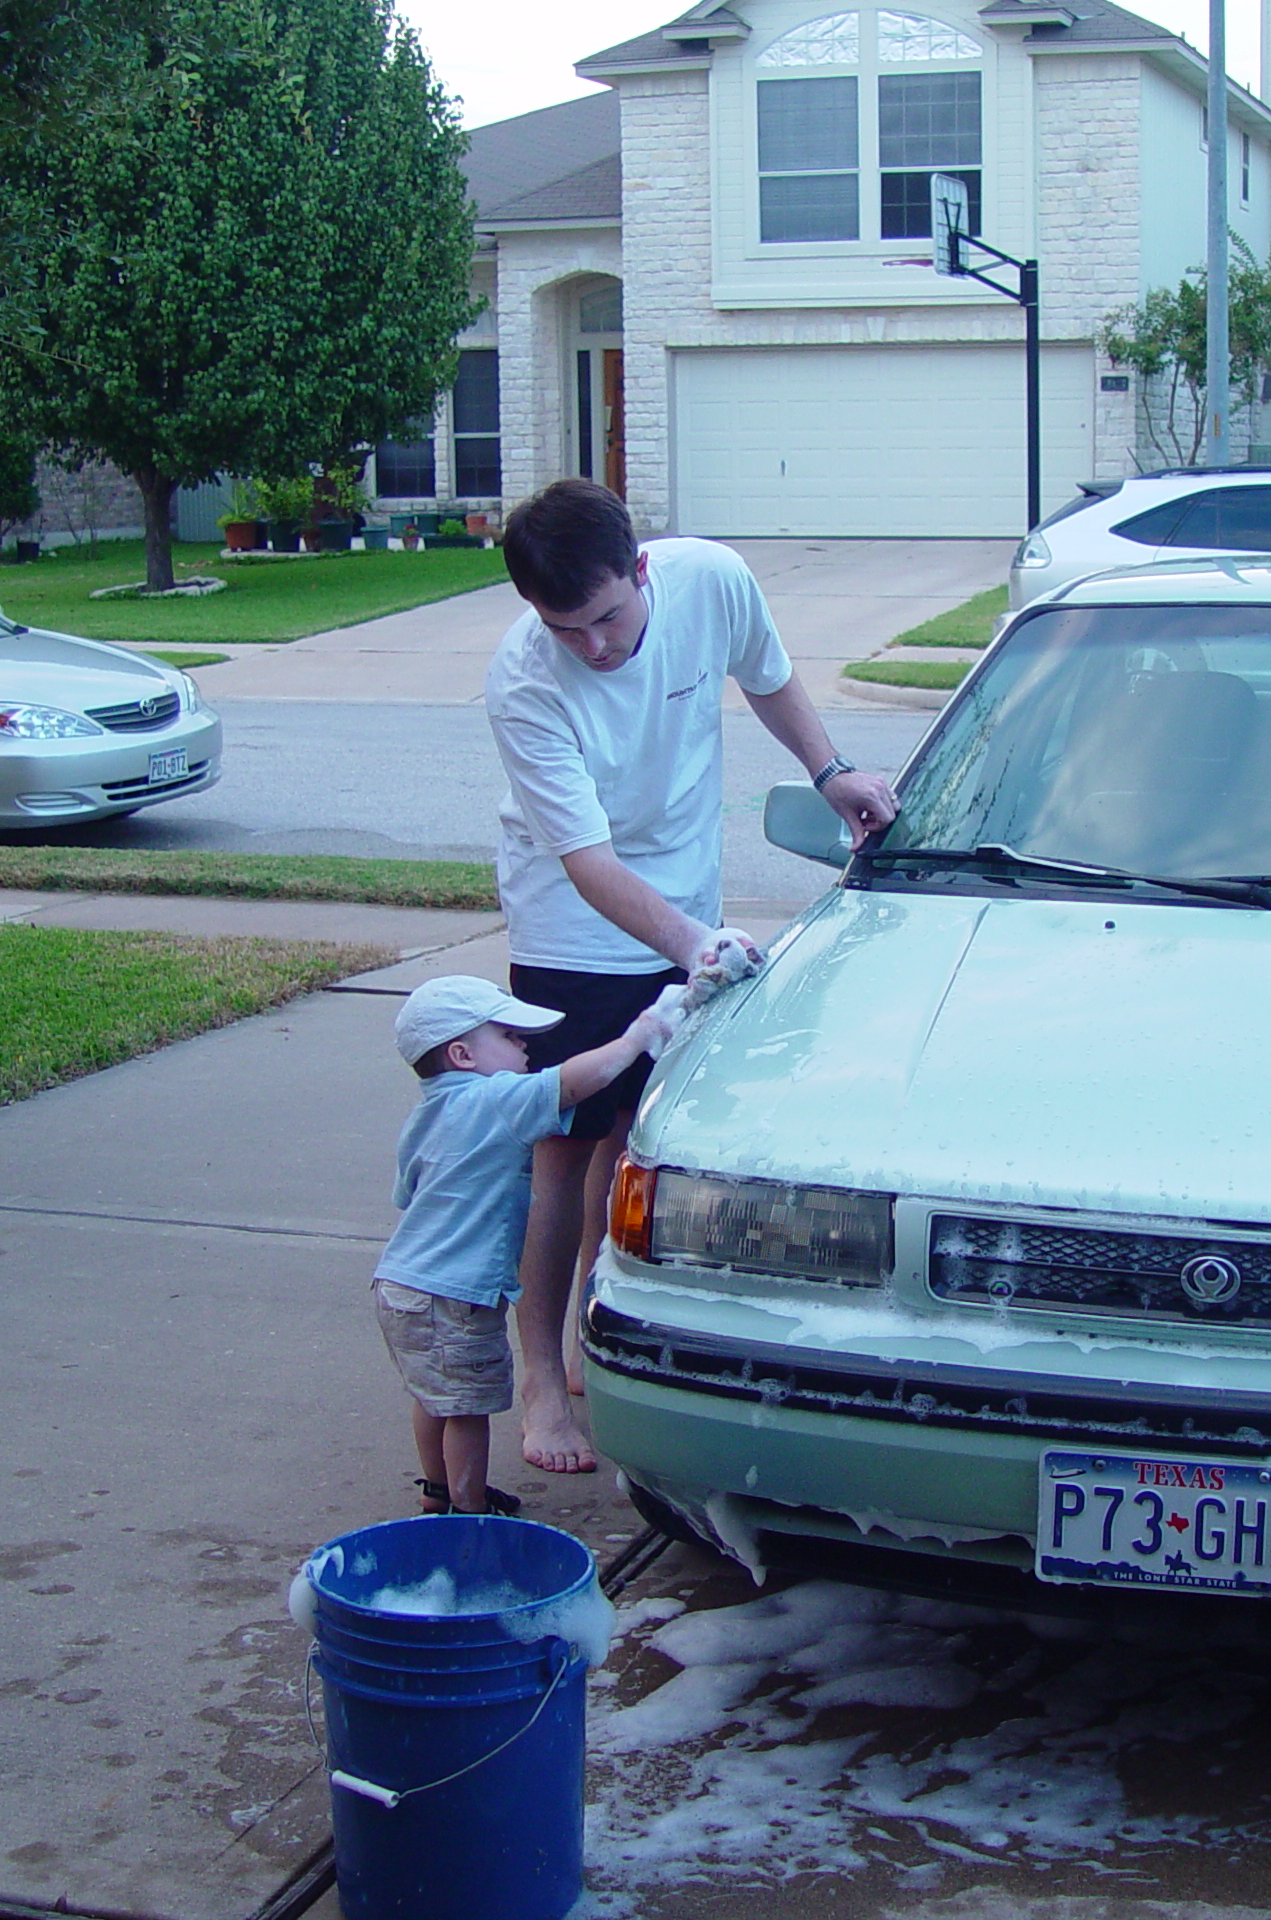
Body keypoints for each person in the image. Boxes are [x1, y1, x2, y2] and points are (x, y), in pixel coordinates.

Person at [486, 478, 897, 1472]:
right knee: (559, 1147)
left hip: (680, 900)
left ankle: (594, 1306)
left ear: (640, 569)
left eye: (606, 619)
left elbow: (766, 675)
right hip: (570, 928)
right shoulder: (524, 681)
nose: (591, 645)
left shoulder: (709, 579)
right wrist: (688, 945)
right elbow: (586, 864)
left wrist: (829, 768)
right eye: (563, 627)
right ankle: (539, 1378)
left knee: (636, 1133)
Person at [374, 974, 676, 1516]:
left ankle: (438, 1492)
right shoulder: (495, 1099)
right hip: (457, 1297)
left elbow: (407, 1193)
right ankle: (468, 1512)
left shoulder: (426, 1114)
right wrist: (638, 1037)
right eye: (509, 1036)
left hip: (400, 1284)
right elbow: (572, 1083)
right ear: (463, 1054)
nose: (525, 1045)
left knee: (435, 1396)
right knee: (468, 1410)